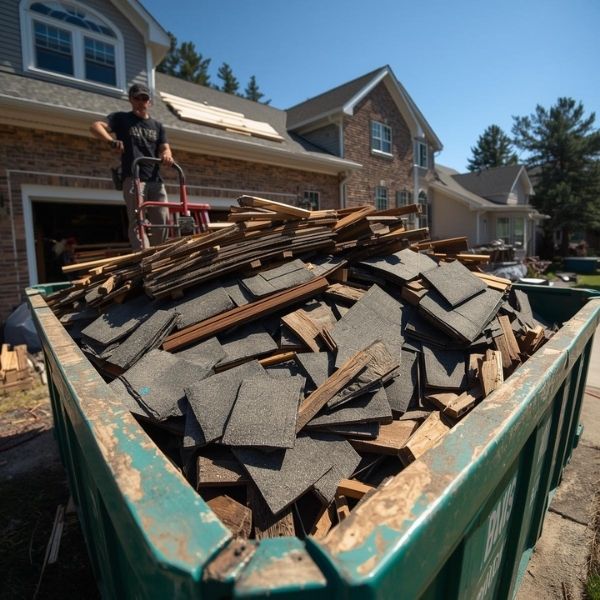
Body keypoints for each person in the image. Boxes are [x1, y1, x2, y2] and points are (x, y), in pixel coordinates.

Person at [90, 83, 174, 249]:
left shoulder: (157, 126)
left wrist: (167, 155)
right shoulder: (121, 118)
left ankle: (160, 254)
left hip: (155, 179)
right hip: (133, 177)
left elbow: (165, 147)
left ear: (149, 101)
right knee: (138, 219)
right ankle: (143, 256)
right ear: (130, 99)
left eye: (144, 98)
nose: (141, 101)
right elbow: (95, 126)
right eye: (137, 98)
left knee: (162, 218)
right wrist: (111, 141)